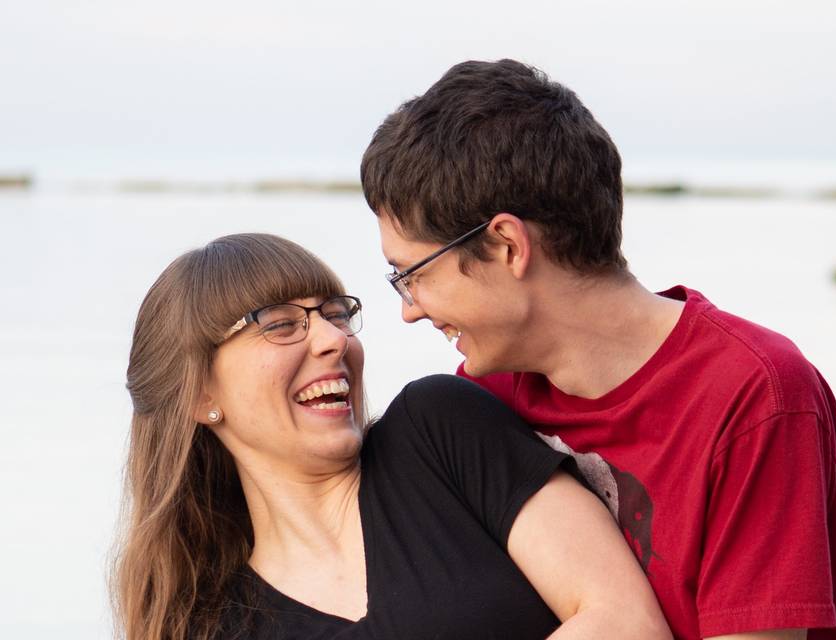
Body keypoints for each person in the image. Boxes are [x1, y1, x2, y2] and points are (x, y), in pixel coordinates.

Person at [361, 59, 836, 639]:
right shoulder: (481, 400)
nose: (409, 309)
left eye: (413, 274)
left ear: (507, 245)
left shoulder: (753, 391)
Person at [111, 233, 670, 640]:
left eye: (335, 314)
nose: (333, 339)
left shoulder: (440, 430)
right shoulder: (214, 626)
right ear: (199, 395)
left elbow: (623, 619)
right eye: (281, 324)